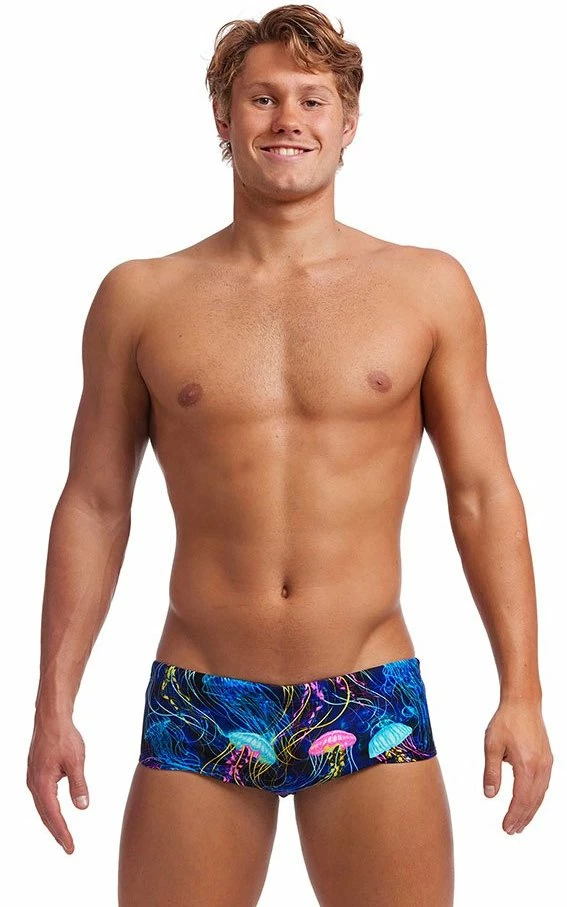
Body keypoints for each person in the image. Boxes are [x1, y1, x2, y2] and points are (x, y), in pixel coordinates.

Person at [27, 4, 553, 905]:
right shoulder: (140, 297)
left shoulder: (426, 288)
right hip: (203, 692)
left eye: (312, 99)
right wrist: (53, 703)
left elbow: (481, 493)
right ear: (222, 116)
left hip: (367, 688)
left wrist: (522, 693)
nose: (287, 120)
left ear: (348, 124)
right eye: (261, 97)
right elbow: (95, 503)